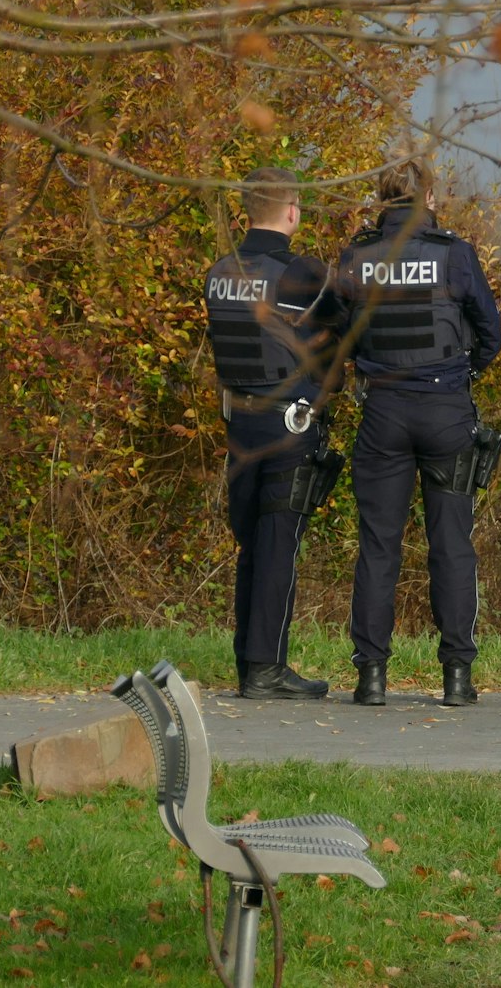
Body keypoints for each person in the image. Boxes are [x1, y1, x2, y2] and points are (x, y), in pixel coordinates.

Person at [338, 153, 501, 707]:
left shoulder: (357, 258)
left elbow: (336, 335)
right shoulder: (454, 255)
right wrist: (463, 374)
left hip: (383, 410)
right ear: (429, 200)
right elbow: (490, 333)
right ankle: (457, 677)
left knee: (378, 546)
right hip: (445, 410)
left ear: (381, 202)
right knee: (452, 545)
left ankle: (371, 678)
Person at [204, 167, 344, 699]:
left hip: (239, 422)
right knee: (278, 543)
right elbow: (339, 334)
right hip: (288, 422)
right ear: (292, 211)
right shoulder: (300, 272)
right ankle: (266, 669)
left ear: (246, 211)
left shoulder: (219, 271)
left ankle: (251, 663)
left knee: (250, 544)